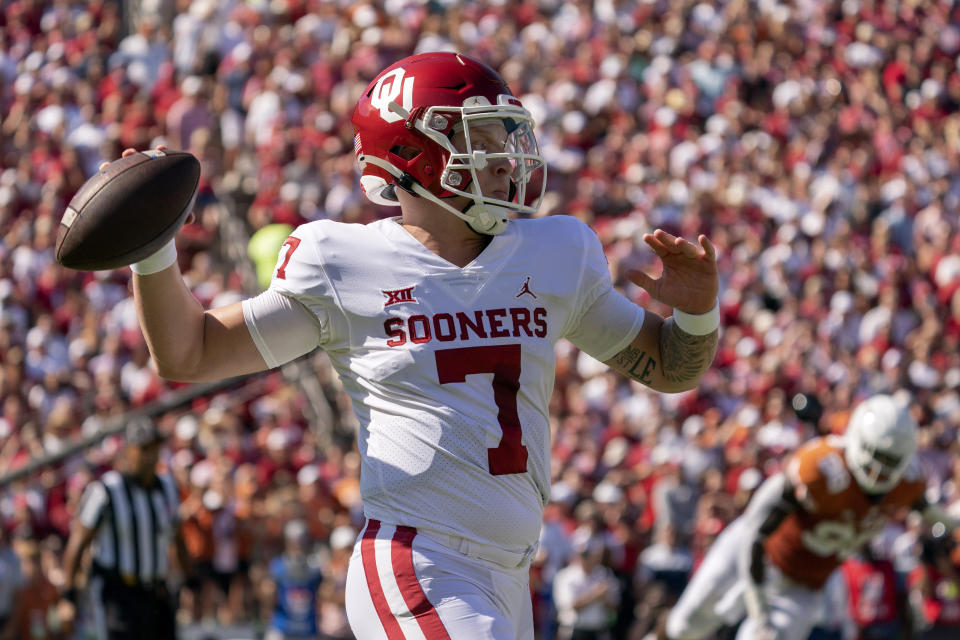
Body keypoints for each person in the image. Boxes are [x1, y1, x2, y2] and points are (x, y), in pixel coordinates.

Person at [114, 51, 720, 638]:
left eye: (503, 138)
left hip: (511, 575)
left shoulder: (557, 253)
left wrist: (696, 314)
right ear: (413, 154)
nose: (506, 161)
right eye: (480, 140)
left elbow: (668, 367)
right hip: (419, 559)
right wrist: (152, 250)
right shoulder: (343, 262)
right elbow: (189, 353)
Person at [664, 394, 956, 640]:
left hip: (804, 584)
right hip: (760, 552)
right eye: (874, 456)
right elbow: (755, 530)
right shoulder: (819, 468)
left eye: (890, 462)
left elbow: (931, 512)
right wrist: (757, 604)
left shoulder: (908, 484)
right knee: (684, 626)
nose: (878, 471)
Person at [60, 418, 191, 639]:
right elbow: (78, 543)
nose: (150, 457)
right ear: (128, 451)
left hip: (155, 592)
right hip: (117, 594)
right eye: (143, 450)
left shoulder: (167, 487)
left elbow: (177, 538)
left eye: (153, 449)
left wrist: (190, 581)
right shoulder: (105, 491)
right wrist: (68, 597)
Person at [265, 519, 324, 640]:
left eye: (300, 540)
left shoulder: (315, 565)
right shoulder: (278, 565)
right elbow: (268, 596)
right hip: (282, 627)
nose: (298, 544)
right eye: (294, 540)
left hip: (308, 629)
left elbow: (324, 593)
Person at [552, 535, 620, 640]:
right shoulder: (565, 576)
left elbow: (615, 607)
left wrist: (605, 598)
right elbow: (572, 606)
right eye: (584, 555)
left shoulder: (605, 574)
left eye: (589, 554)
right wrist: (596, 595)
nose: (586, 558)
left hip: (599, 631)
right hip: (573, 631)